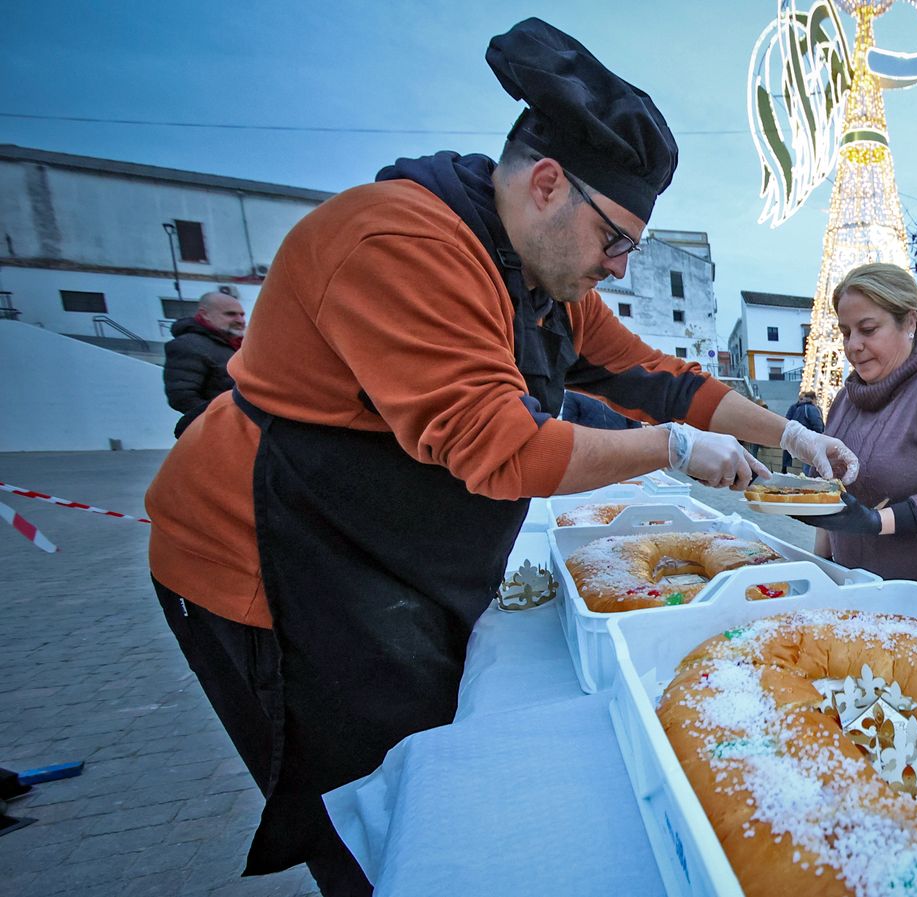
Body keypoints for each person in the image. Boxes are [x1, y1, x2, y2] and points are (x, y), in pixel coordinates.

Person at [143, 19, 857, 896]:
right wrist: (672, 451)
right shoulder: (400, 242)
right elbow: (498, 446)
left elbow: (657, 376)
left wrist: (788, 434)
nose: (620, 265)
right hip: (267, 558)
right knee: (360, 798)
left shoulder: (544, 273)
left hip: (381, 554)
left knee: (423, 750)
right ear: (549, 184)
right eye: (616, 240)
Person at [800, 263, 917, 610]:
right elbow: (830, 497)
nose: (853, 345)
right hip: (854, 594)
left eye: (868, 329)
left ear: (910, 322)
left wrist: (877, 522)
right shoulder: (845, 400)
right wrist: (820, 572)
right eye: (845, 332)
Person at [163, 290, 246, 437]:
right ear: (205, 314)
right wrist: (225, 420)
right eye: (230, 314)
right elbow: (182, 396)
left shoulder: (236, 346)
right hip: (221, 433)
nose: (240, 320)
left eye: (242, 314)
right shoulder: (188, 345)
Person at [781, 390, 824, 473]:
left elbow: (789, 420)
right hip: (809, 438)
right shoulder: (811, 408)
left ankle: (786, 469)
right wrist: (820, 434)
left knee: (806, 462)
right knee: (809, 463)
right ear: (813, 398)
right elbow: (817, 423)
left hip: (798, 438)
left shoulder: (799, 408)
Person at [560, 389, 642, 429]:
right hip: (591, 450)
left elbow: (634, 422)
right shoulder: (573, 392)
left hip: (622, 448)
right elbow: (569, 426)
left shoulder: (622, 390)